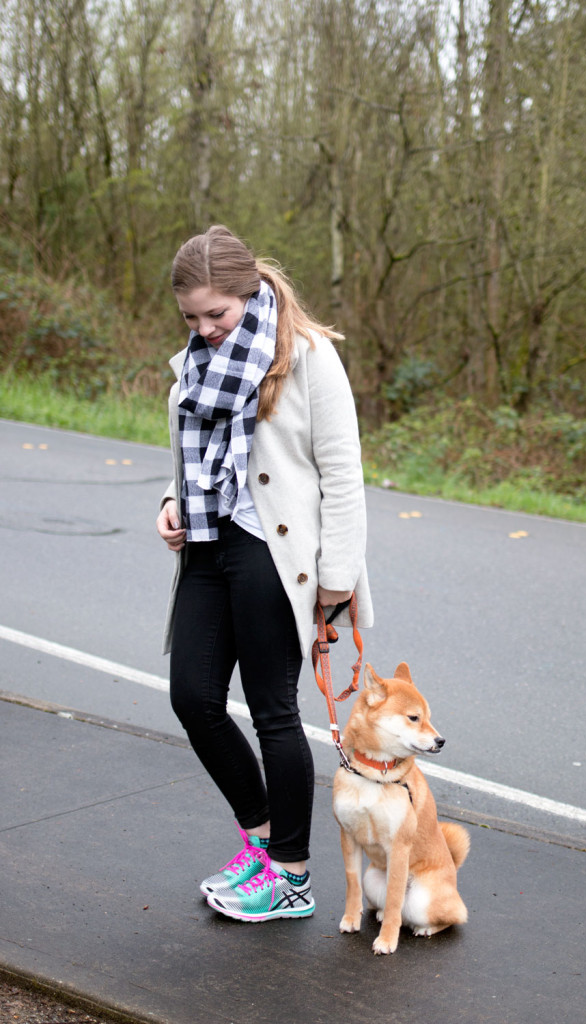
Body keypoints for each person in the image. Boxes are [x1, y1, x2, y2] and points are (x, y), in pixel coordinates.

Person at [156, 225, 372, 923]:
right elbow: (193, 450)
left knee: (274, 712)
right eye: (192, 317)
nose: (205, 328)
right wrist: (170, 500)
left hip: (273, 553)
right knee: (192, 696)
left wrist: (336, 581)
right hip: (208, 542)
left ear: (249, 294)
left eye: (216, 314)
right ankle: (260, 840)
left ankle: (291, 875)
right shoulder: (193, 360)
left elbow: (342, 473)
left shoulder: (308, 357)